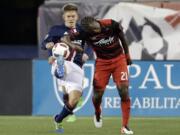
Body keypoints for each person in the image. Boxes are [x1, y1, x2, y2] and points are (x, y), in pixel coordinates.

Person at [61, 16, 133, 134]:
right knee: (97, 95)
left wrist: (127, 55)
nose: (96, 31)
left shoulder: (110, 23)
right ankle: (98, 113)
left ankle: (125, 126)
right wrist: (71, 44)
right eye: (93, 31)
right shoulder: (83, 32)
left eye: (96, 28)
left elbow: (122, 37)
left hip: (119, 60)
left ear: (96, 21)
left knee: (123, 91)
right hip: (102, 64)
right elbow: (69, 40)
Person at [41, 4, 91, 133]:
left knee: (73, 100)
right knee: (61, 62)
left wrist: (86, 54)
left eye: (73, 16)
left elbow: (89, 45)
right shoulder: (56, 29)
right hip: (60, 62)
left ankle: (58, 120)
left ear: (77, 16)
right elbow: (44, 43)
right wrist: (48, 46)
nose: (70, 18)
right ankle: (60, 66)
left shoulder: (82, 31)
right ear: (64, 17)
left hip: (77, 67)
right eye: (68, 16)